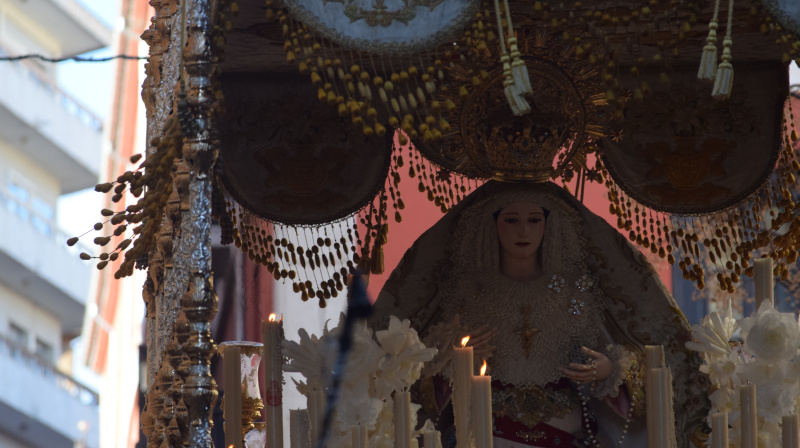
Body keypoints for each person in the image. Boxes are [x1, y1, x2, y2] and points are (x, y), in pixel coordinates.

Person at [369, 181, 709, 448]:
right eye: (511, 220)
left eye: (534, 220)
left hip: (564, 434)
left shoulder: (574, 291)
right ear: (493, 225)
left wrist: (608, 370)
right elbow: (421, 374)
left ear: (548, 226)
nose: (523, 231)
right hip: (488, 436)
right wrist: (455, 361)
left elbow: (617, 355)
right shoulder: (467, 294)